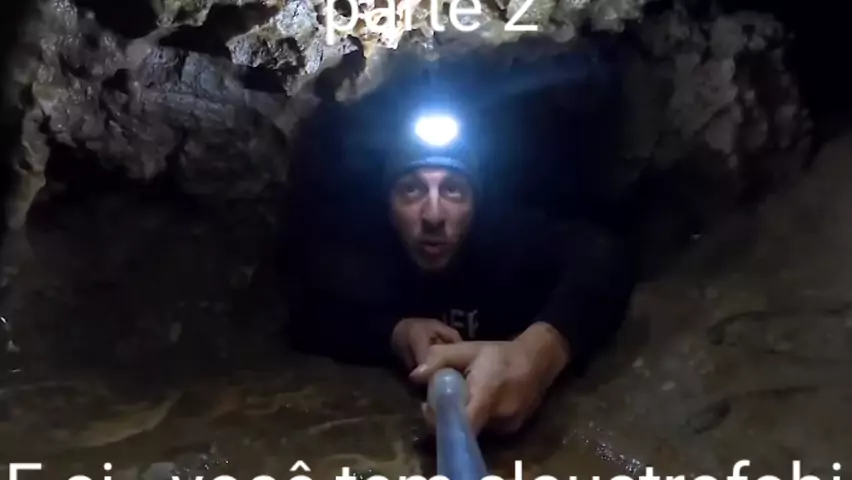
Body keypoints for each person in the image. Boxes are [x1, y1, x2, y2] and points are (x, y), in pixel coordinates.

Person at [284, 111, 636, 436]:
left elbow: (603, 255)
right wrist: (394, 333)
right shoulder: (369, 252)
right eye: (412, 190)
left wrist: (539, 353)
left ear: (475, 204)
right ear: (388, 206)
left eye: (453, 189)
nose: (433, 215)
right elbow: (309, 313)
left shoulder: (502, 238)